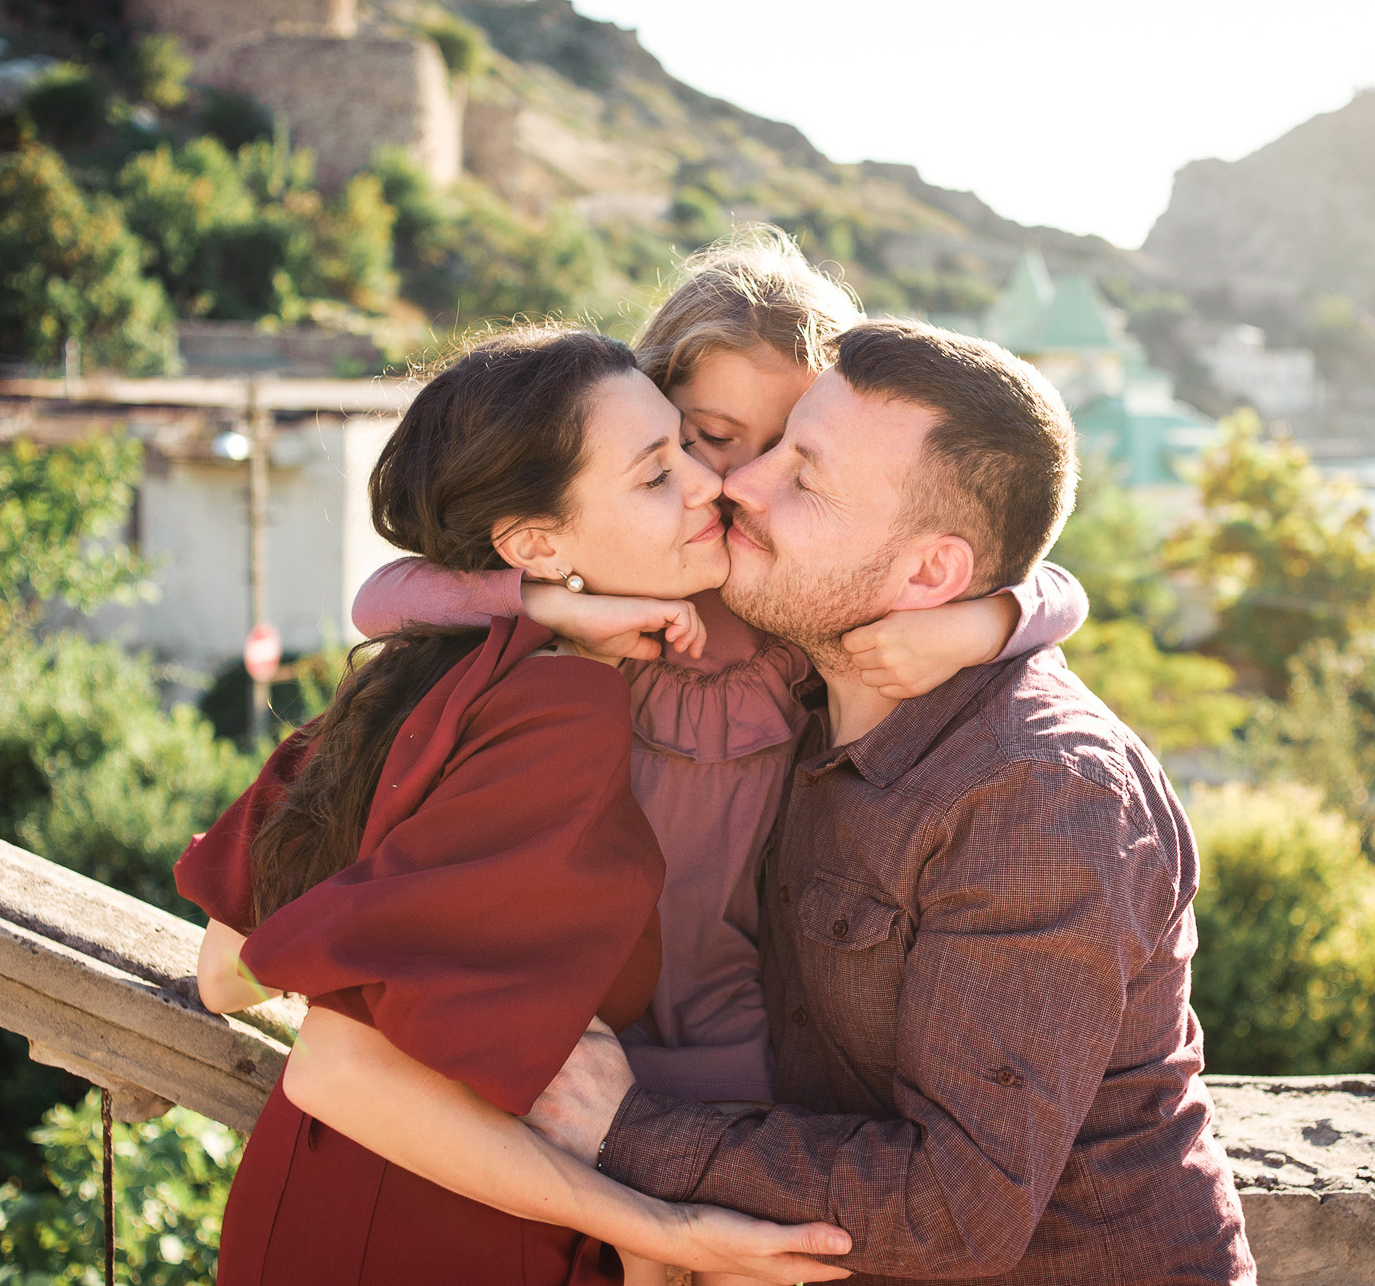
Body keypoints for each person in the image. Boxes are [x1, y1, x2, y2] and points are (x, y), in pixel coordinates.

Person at [521, 319, 1259, 1284]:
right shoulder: (792, 703)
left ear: (928, 575)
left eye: (804, 471)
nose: (739, 482)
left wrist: (629, 1128)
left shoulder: (1039, 793)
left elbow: (955, 1210)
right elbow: (449, 576)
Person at [349, 228, 1089, 1111]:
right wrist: (556, 604)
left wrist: (977, 625)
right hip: (569, 993)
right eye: (710, 438)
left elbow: (1050, 581)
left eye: (793, 450)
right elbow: (388, 598)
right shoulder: (628, 570)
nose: (745, 480)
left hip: (735, 1009)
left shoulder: (799, 595)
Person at [175, 325, 852, 1285]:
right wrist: (664, 1230)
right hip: (443, 1231)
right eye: (657, 473)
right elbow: (338, 1060)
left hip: (309, 1205)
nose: (712, 482)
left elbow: (224, 969)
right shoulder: (561, 707)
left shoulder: (420, 672)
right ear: (536, 542)